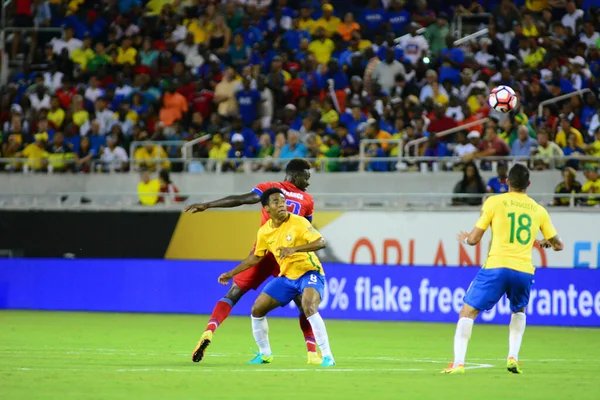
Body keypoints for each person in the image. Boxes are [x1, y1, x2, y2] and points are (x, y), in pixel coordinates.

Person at [184, 159, 321, 365]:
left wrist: (208, 205)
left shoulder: (269, 190)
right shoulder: (307, 200)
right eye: (306, 177)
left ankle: (209, 332)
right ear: (294, 176)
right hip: (287, 256)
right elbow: (305, 231)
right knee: (304, 305)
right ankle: (312, 352)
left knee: (232, 294)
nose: (308, 182)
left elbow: (241, 200)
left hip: (264, 251)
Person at [443, 163, 563, 374]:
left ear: (507, 182)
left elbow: (474, 239)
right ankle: (513, 357)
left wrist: (467, 239)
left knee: (468, 311)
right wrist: (547, 242)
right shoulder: (539, 210)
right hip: (524, 270)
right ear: (528, 184)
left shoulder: (494, 202)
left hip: (497, 266)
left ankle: (458, 364)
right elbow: (558, 245)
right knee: (519, 310)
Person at [217, 187, 335, 367]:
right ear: (266, 208)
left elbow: (321, 242)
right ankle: (265, 354)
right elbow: (255, 257)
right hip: (287, 277)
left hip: (309, 272)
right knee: (257, 310)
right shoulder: (264, 232)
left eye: (283, 201)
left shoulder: (299, 222)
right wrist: (231, 273)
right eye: (276, 202)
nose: (281, 205)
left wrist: (294, 249)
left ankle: (327, 356)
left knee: (308, 306)